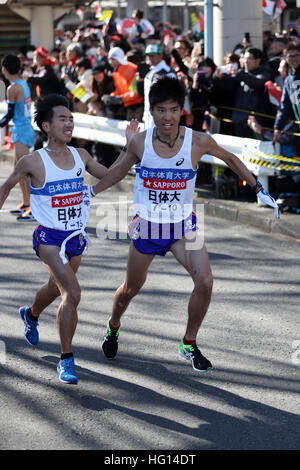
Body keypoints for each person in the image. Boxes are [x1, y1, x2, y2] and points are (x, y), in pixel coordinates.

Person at [90, 77, 279, 373]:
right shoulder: (140, 142)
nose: (168, 117)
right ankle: (113, 326)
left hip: (182, 227)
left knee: (205, 282)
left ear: (183, 111)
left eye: (174, 110)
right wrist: (89, 193)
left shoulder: (197, 141)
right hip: (149, 227)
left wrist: (257, 188)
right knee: (131, 289)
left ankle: (188, 343)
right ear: (151, 112)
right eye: (161, 110)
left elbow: (229, 157)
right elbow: (115, 172)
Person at [0, 94, 138, 384]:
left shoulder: (81, 156)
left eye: (71, 118)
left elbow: (114, 175)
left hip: (76, 238)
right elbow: (6, 186)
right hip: (48, 239)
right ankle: (66, 359)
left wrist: (129, 148)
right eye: (62, 118)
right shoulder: (33, 161)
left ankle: (31, 313)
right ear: (47, 126)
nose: (69, 123)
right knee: (72, 293)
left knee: (56, 287)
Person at [0, 54, 35, 221]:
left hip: (21, 130)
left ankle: (34, 208)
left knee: (25, 171)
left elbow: (9, 115)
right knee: (18, 168)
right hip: (24, 128)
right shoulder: (24, 84)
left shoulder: (12, 88)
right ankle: (27, 202)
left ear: (4, 69)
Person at [273, 43, 300, 156]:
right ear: (286, 59)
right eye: (290, 56)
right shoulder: (288, 80)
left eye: (296, 55)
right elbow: (285, 106)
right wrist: (278, 127)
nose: (294, 59)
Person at [143, 43, 176, 128]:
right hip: (149, 118)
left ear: (160, 55)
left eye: (152, 55)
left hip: (162, 120)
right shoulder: (150, 73)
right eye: (148, 55)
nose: (149, 58)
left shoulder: (168, 73)